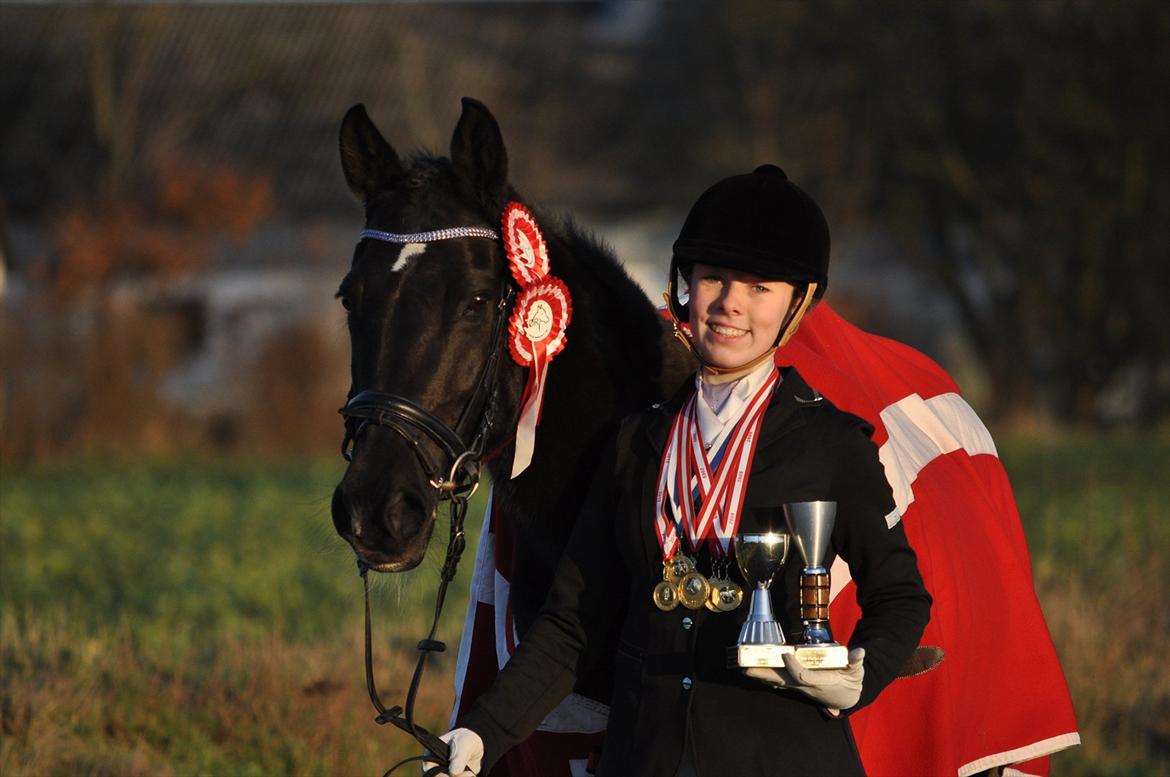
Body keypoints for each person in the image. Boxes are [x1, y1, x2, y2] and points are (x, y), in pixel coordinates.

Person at [429, 165, 931, 777]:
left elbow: (900, 596)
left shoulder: (832, 445)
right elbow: (573, 623)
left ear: (797, 305)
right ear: (684, 283)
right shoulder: (637, 443)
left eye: (760, 288)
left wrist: (861, 676)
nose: (729, 305)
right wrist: (483, 732)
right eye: (714, 277)